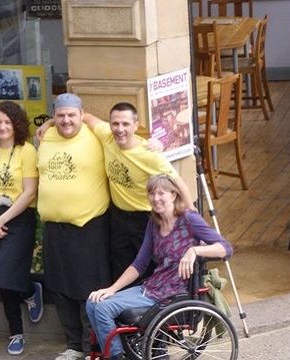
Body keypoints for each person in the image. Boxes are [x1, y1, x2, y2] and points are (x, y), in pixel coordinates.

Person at [86, 174, 233, 360]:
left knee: (103, 309)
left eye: (161, 193)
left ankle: (115, 357)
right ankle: (112, 353)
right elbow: (139, 264)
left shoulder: (188, 219)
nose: (156, 198)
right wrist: (112, 289)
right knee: (93, 302)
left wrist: (194, 251)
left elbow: (225, 248)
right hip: (151, 288)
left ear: (173, 195)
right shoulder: (154, 223)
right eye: (152, 194)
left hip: (171, 294)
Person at [36, 93, 111, 360]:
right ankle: (73, 346)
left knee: (88, 291)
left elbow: (104, 124)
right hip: (55, 230)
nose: (66, 120)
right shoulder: (46, 136)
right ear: (54, 116)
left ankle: (92, 347)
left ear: (82, 115)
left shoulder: (96, 135)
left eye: (72, 115)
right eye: (60, 115)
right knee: (60, 288)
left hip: (88, 228)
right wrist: (46, 125)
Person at [84, 102, 195, 283]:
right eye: (115, 124)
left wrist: (192, 218)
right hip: (118, 216)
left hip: (144, 219)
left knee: (149, 267)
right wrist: (47, 124)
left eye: (126, 124)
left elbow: (180, 184)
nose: (120, 129)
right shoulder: (106, 136)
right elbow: (84, 116)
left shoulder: (149, 155)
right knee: (121, 267)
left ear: (136, 126)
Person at [0, 101, 44, 356]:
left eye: (7, 122)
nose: (2, 126)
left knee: (3, 276)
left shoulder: (27, 150)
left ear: (16, 124)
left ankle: (16, 333)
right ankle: (29, 290)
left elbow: (29, 192)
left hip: (19, 217)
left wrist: (2, 221)